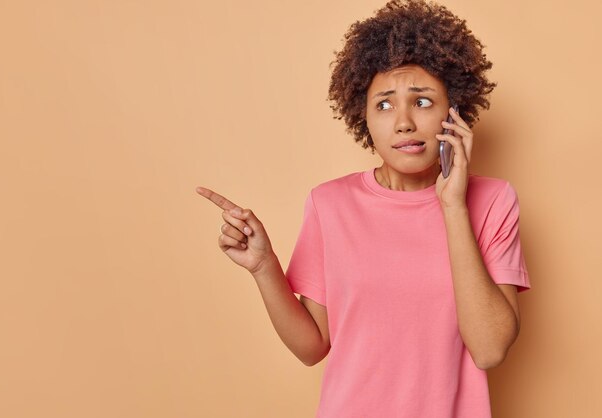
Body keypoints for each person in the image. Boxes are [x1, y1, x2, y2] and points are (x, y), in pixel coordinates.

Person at [196, 0, 530, 416]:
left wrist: (453, 207)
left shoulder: (493, 202)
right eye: (385, 105)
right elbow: (312, 347)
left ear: (455, 111)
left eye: (423, 101)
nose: (404, 122)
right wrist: (265, 267)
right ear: (364, 118)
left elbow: (490, 349)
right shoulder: (329, 203)